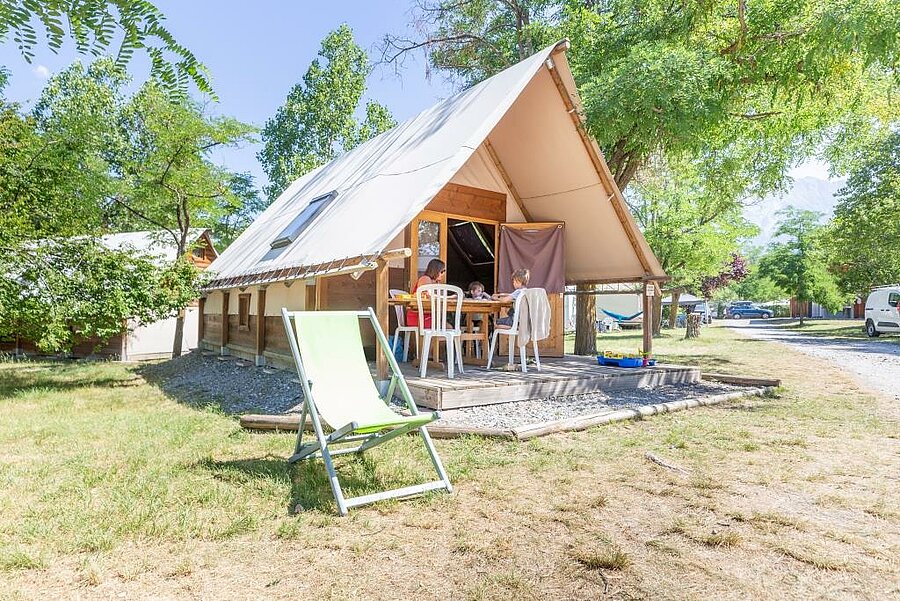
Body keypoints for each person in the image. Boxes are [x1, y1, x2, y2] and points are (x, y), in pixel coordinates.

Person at [407, 258, 447, 329]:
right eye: (442, 271)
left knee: (448, 327)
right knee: (448, 328)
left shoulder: (434, 282)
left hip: (426, 315)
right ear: (436, 270)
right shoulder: (425, 279)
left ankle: (435, 340)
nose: (443, 274)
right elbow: (429, 295)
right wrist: (449, 298)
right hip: (419, 316)